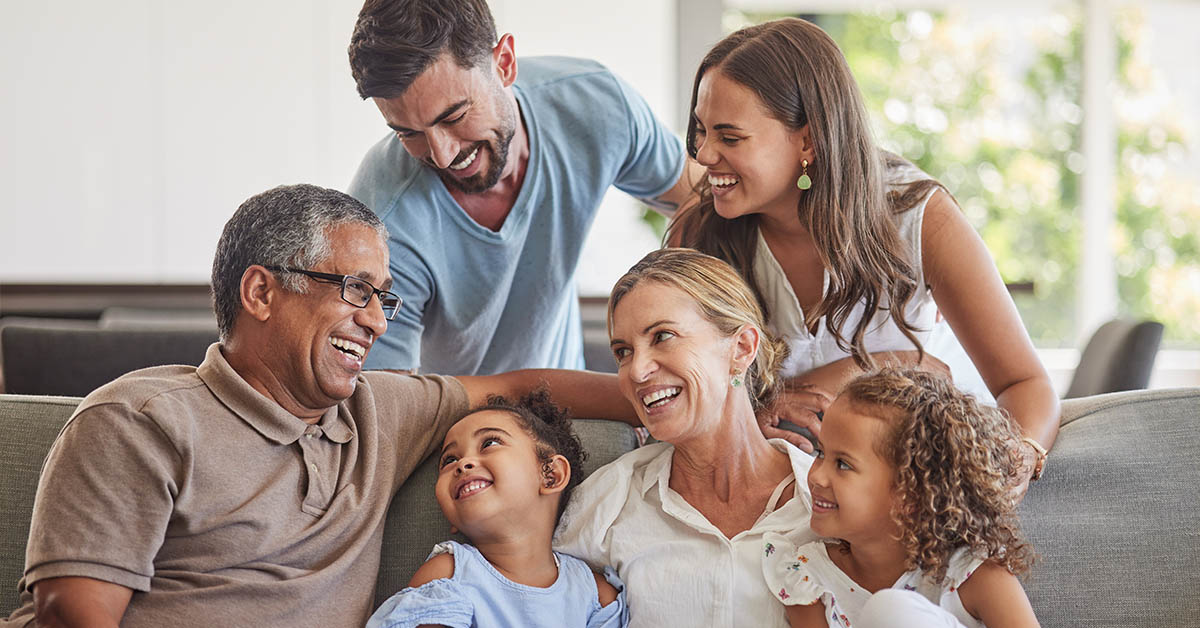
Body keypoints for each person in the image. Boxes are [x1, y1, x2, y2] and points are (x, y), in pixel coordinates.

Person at [1, 184, 634, 628]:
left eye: (385, 299)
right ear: (261, 291)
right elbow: (70, 617)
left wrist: (668, 404)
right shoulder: (139, 420)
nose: (378, 322)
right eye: (357, 290)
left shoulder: (379, 410)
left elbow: (519, 388)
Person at [666, 17, 1058, 481]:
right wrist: (773, 399)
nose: (703, 155)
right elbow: (681, 389)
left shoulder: (917, 217)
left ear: (807, 140)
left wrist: (1013, 468)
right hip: (788, 495)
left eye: (730, 137)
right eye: (701, 131)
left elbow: (1025, 384)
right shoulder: (700, 232)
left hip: (922, 479)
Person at [346, 0, 701, 376]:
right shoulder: (381, 221)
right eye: (408, 133)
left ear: (504, 64)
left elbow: (703, 201)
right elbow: (389, 403)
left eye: (454, 117)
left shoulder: (595, 104)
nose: (442, 155)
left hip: (572, 409)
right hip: (451, 425)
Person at [554, 248, 818, 627]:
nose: (637, 371)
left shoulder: (826, 503)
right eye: (623, 352)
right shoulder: (607, 504)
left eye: (663, 336)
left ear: (741, 348)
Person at [762, 368, 1037, 627]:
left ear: (912, 493)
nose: (817, 476)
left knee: (889, 611)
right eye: (821, 454)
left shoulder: (972, 571)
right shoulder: (807, 575)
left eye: (843, 464)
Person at [367, 390, 627, 627]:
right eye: (449, 460)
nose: (463, 463)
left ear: (551, 475)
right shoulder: (449, 574)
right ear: (451, 517)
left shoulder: (596, 594)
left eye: (489, 443)